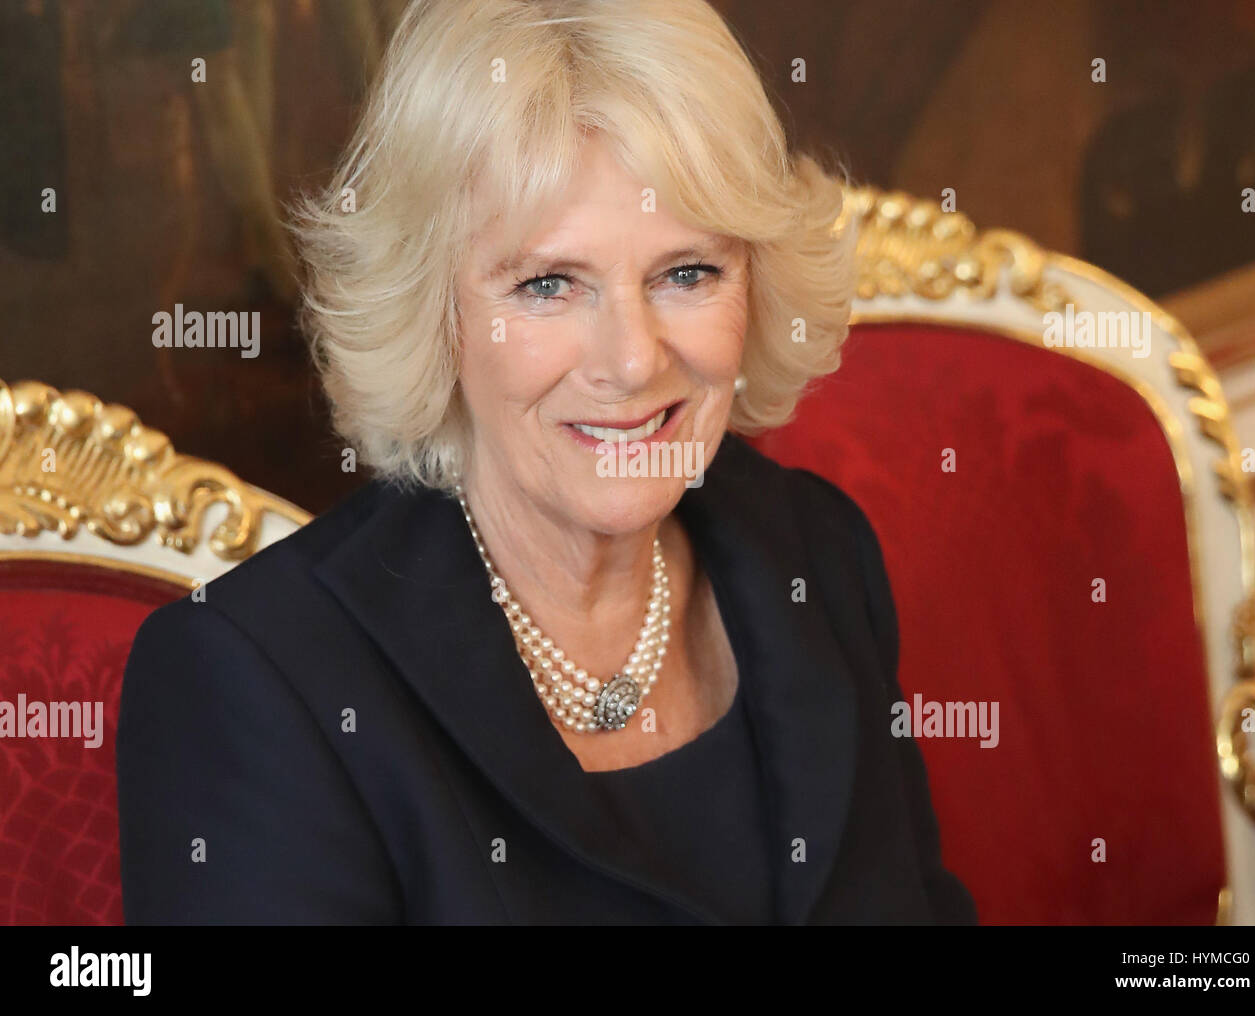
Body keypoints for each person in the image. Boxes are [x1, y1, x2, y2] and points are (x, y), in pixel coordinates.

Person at [116, 0, 976, 925]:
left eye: (687, 272)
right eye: (547, 285)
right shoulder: (259, 683)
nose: (633, 359)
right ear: (433, 314)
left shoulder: (817, 552)